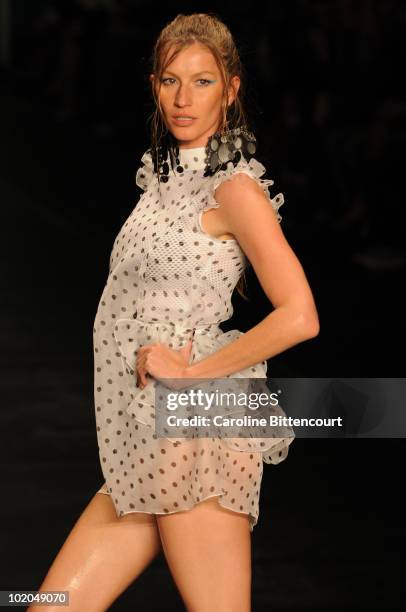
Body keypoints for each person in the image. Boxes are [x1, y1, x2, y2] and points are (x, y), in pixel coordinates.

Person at [29, 12, 319, 612]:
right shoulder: (162, 184)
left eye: (203, 81)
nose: (184, 99)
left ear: (232, 89)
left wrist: (190, 377)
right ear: (155, 86)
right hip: (142, 435)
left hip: (195, 427)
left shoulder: (234, 190)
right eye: (169, 81)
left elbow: (299, 315)